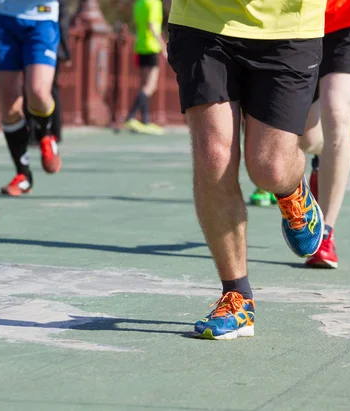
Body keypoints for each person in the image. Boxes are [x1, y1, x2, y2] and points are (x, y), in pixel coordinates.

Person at [167, 0, 335, 340]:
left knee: (269, 167)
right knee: (213, 154)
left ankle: (294, 191)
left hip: (289, 24)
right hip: (203, 18)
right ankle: (237, 296)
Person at [300, 0, 350, 269]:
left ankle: (325, 233)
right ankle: (322, 167)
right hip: (298, 22)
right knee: (308, 139)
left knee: (337, 112)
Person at [0, 0, 62, 196]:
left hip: (41, 17)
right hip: (2, 16)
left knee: (38, 92)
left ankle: (44, 132)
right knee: (9, 104)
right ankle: (23, 174)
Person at [26, 0, 71, 145]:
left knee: (45, 89)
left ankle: (50, 132)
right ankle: (42, 132)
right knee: (38, 88)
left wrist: (65, 52)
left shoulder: (57, 3)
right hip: (41, 47)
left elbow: (62, 25)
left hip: (50, 47)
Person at [124, 0, 166, 135]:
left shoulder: (139, 3)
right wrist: (163, 46)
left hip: (140, 46)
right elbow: (152, 26)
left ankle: (145, 121)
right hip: (151, 47)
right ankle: (131, 116)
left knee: (143, 85)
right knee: (150, 86)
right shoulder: (154, 3)